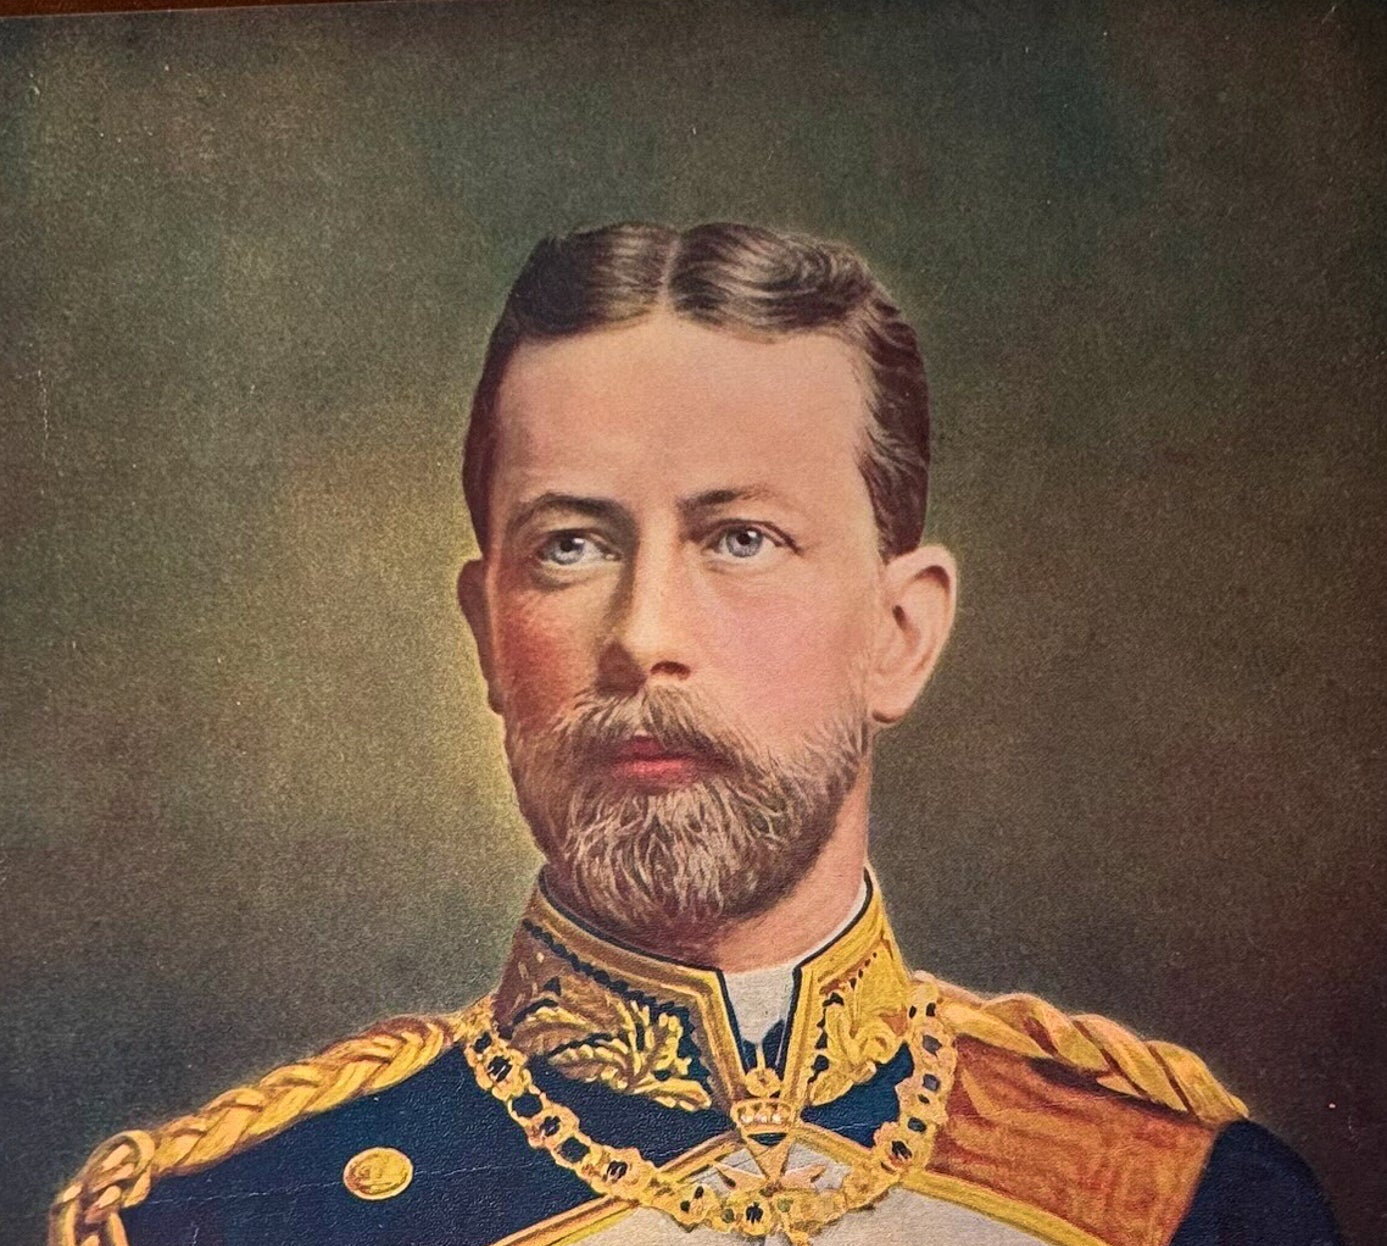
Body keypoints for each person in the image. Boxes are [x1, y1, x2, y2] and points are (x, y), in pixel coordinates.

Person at [51, 222, 1342, 1246]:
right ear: (485, 632)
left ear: (901, 631)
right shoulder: (240, 1219)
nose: (643, 633)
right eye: (571, 544)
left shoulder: (1187, 1203)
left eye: (741, 538)